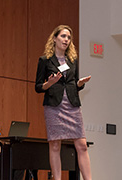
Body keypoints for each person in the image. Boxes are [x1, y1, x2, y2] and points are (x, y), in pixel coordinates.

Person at [35, 25, 92, 180]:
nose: (66, 40)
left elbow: (74, 84)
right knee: (54, 145)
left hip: (72, 106)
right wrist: (50, 83)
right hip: (54, 106)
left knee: (81, 145)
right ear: (55, 38)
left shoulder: (73, 60)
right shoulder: (45, 60)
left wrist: (80, 83)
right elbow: (38, 87)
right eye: (63, 36)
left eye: (68, 37)